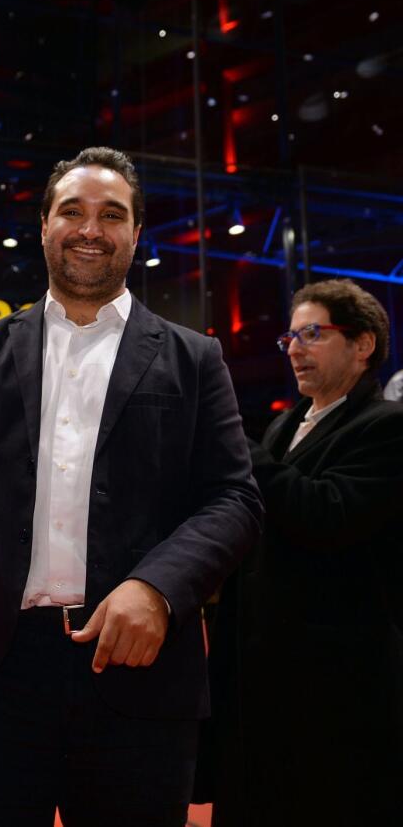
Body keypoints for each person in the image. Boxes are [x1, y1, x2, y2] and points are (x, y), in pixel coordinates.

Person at [0, 147, 263, 826]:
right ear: (43, 225)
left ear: (134, 233)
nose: (90, 228)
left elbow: (236, 497)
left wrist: (158, 586)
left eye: (111, 215)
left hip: (139, 674)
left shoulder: (193, 357)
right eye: (72, 211)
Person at [206, 279, 403, 826]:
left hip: (337, 698)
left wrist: (234, 443)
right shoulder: (282, 425)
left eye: (312, 334)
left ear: (363, 345)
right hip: (261, 689)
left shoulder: (387, 427)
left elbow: (326, 514)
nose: (294, 348)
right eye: (290, 337)